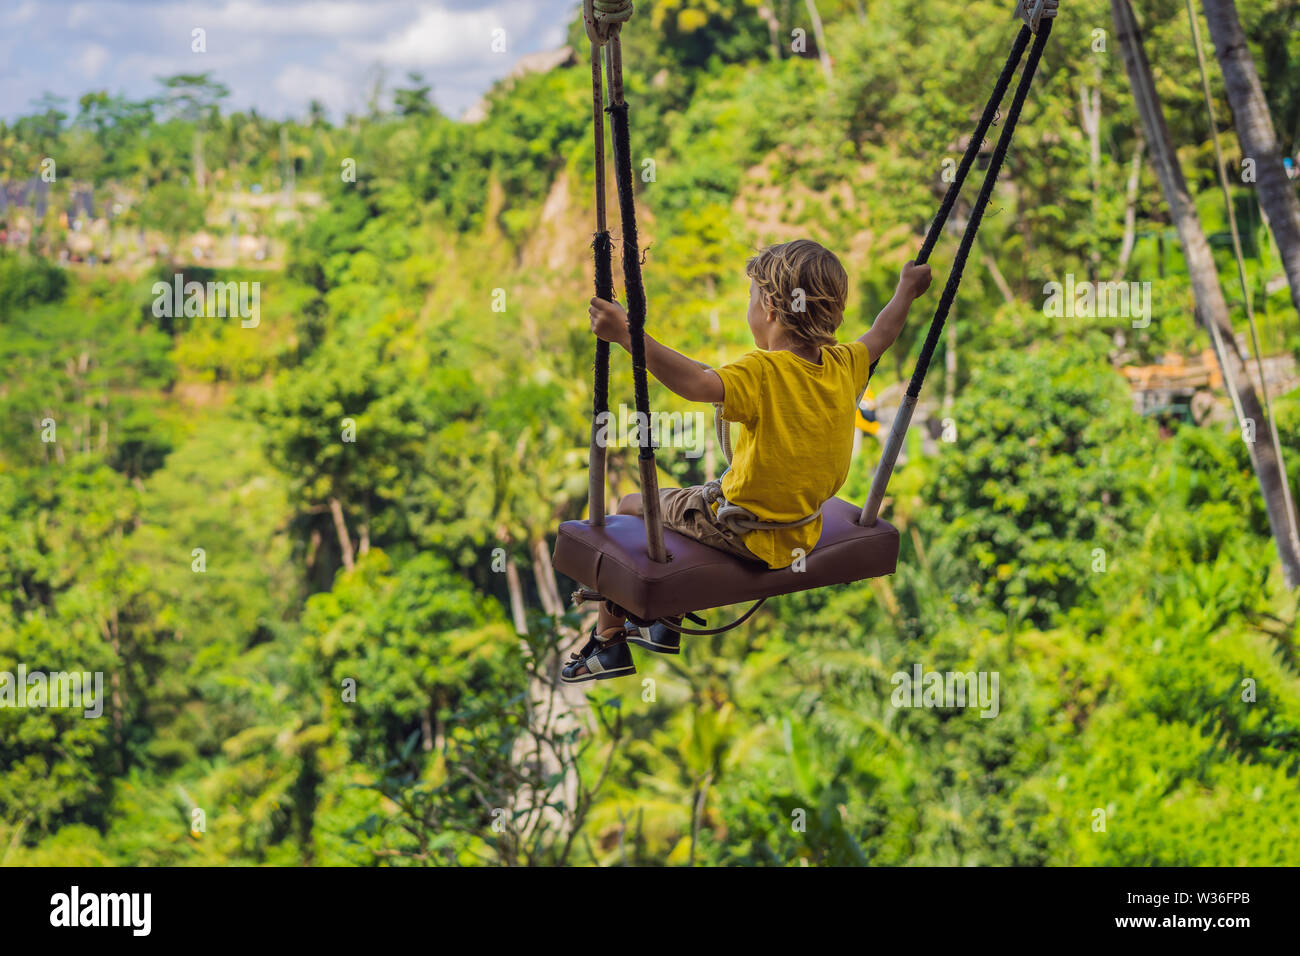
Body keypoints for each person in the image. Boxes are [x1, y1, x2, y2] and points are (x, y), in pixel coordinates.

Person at [563, 239, 931, 682]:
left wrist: (627, 335)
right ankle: (663, 624)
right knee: (673, 504)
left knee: (629, 506)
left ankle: (607, 644)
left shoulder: (762, 372)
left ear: (772, 309)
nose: (749, 310)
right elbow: (882, 333)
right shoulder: (845, 363)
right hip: (801, 531)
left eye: (751, 300)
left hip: (740, 530)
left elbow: (696, 384)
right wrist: (905, 291)